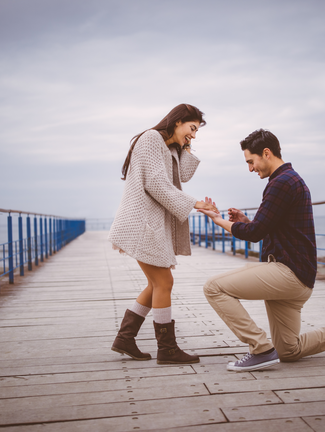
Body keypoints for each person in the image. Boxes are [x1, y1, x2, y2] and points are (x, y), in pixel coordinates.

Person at [198, 129, 325, 372]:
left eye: (251, 162)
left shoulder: (281, 182)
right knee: (288, 350)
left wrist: (217, 219)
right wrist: (247, 222)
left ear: (267, 153)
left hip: (288, 273)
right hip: (299, 276)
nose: (250, 169)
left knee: (213, 287)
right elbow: (267, 229)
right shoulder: (288, 180)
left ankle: (259, 348)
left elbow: (254, 235)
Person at [109, 103, 217, 365]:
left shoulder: (168, 146)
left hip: (151, 225)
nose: (194, 134)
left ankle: (125, 337)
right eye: (192, 128)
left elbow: (185, 175)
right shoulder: (150, 139)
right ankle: (167, 349)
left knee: (155, 283)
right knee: (164, 282)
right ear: (178, 121)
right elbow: (156, 184)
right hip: (142, 225)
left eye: (197, 130)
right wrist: (196, 203)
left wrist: (186, 144)